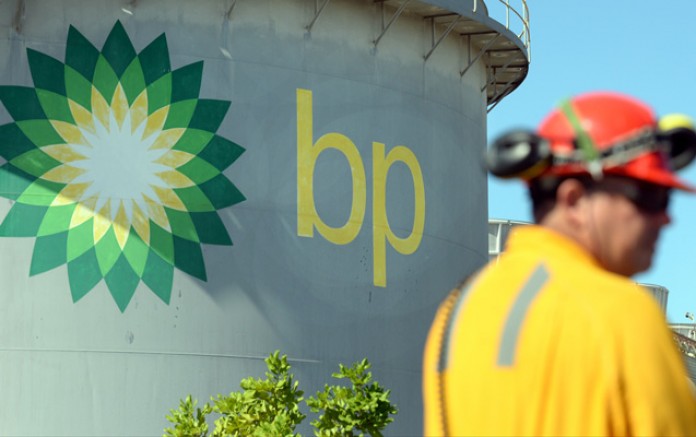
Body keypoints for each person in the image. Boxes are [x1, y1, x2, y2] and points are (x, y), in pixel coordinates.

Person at [422, 91, 696, 436]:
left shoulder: (458, 310)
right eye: (651, 197)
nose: (665, 218)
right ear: (574, 200)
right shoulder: (621, 313)